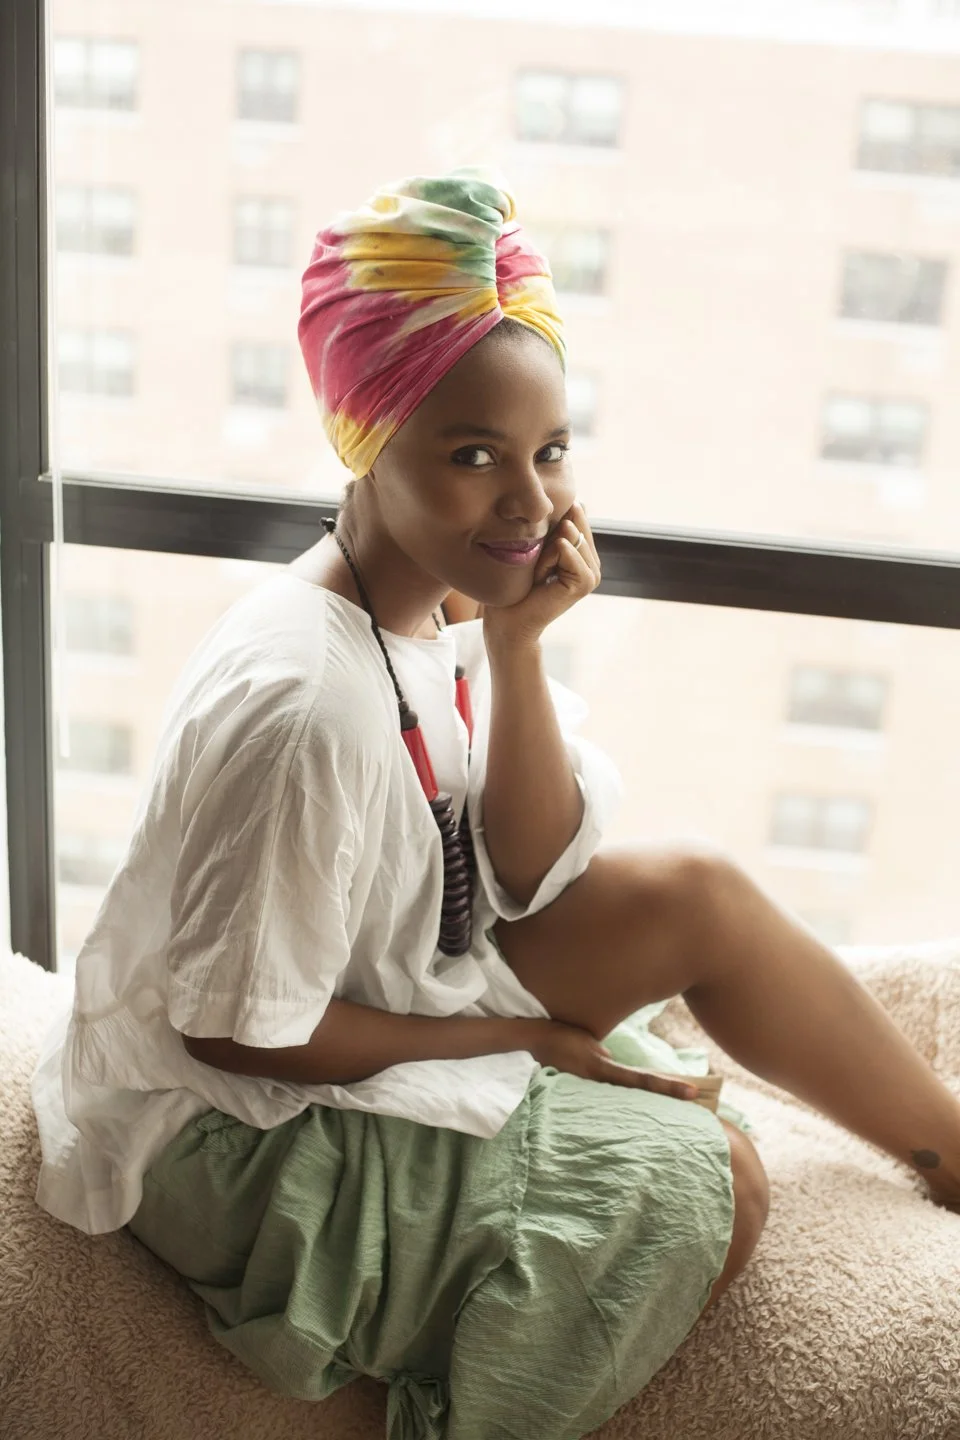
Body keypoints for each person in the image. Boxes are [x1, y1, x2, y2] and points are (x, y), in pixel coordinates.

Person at [30, 168, 960, 1440]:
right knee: (717, 1184)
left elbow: (526, 865)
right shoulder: (307, 707)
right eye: (474, 457)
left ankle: (953, 1151)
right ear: (366, 443)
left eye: (549, 452)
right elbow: (240, 1033)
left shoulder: (439, 599)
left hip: (390, 974)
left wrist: (517, 647)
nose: (530, 505)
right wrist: (521, 1042)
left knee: (697, 893)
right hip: (232, 1122)